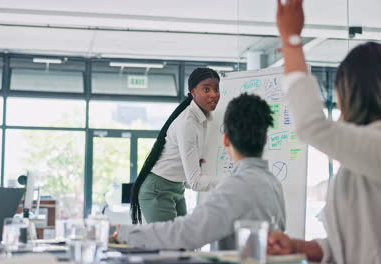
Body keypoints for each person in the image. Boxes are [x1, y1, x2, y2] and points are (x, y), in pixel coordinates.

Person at [267, 0, 381, 263]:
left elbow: (311, 126)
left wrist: (291, 41)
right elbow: (354, 243)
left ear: (350, 93)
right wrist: (298, 246)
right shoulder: (360, 159)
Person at [115, 94, 286, 250]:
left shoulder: (236, 187)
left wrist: (125, 234)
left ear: (226, 140)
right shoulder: (273, 183)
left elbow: (185, 233)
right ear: (265, 140)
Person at [130, 68, 221, 224]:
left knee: (182, 243)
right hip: (157, 189)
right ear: (193, 92)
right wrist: (231, 182)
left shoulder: (204, 120)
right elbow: (195, 182)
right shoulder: (188, 123)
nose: (213, 94)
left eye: (216, 89)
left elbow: (188, 178)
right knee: (172, 244)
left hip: (176, 187)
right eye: (206, 89)